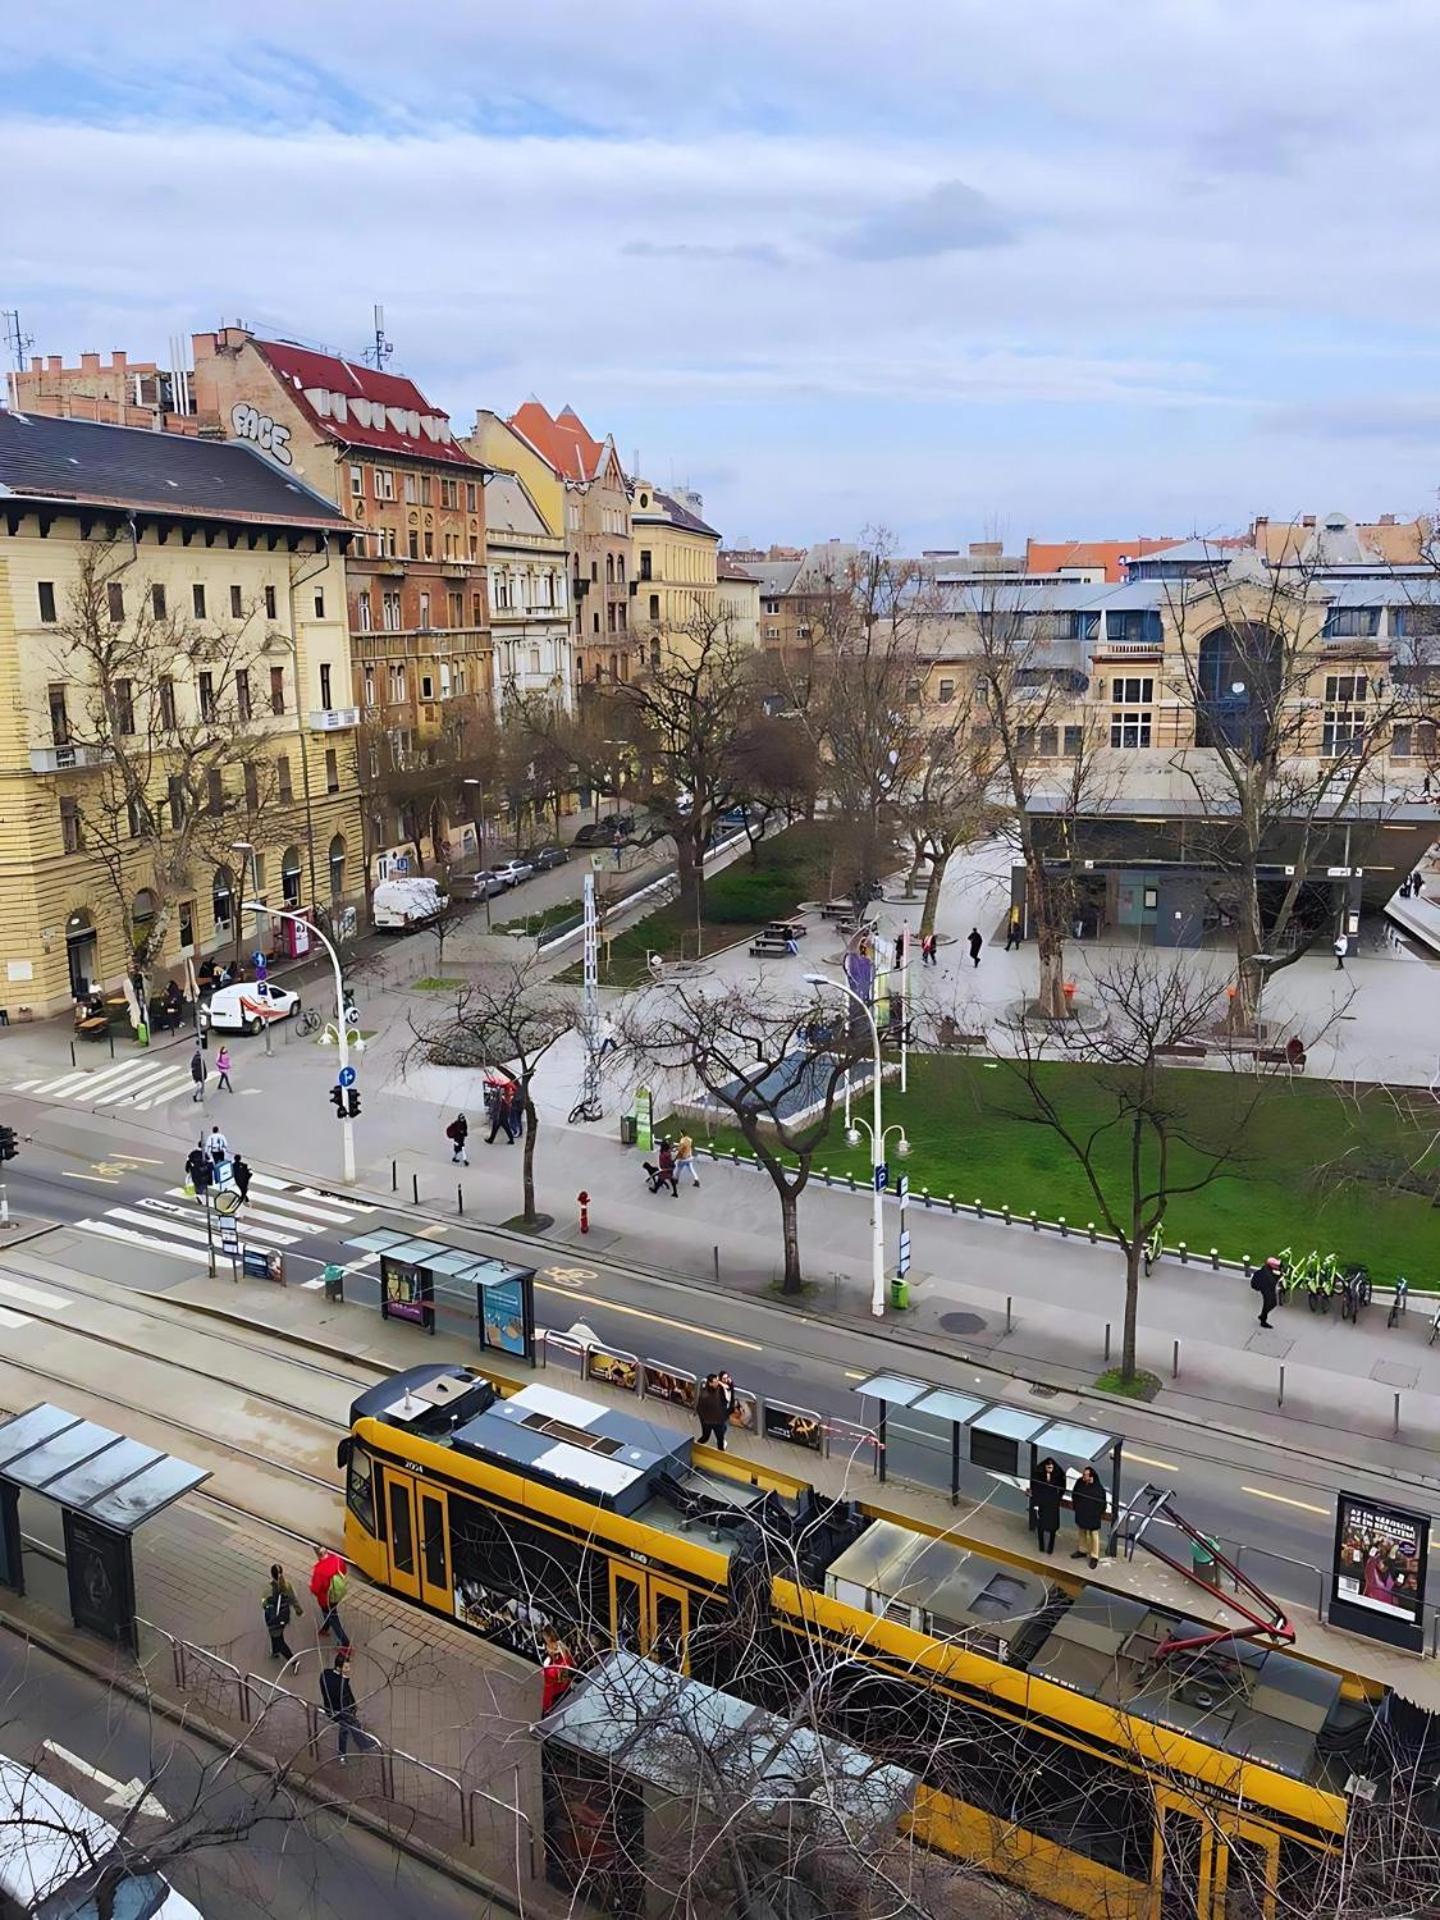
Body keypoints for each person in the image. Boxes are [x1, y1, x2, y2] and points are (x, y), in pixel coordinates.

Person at [319, 1649, 378, 1763]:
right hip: (341, 1712)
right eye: (346, 1668)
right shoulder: (341, 1684)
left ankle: (358, 1745)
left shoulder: (325, 1674)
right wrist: (352, 1709)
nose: (349, 1670)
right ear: (339, 1668)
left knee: (351, 1727)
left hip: (329, 1709)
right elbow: (345, 1700)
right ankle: (346, 1753)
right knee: (347, 1728)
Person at [310, 1544, 351, 1646]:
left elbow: (316, 1589)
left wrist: (311, 1587)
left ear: (318, 1556)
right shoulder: (337, 1560)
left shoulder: (319, 1570)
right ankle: (325, 1628)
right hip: (336, 1594)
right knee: (331, 1612)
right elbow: (344, 1571)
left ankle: (345, 1644)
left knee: (333, 1619)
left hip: (326, 1600)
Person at [1070, 1466, 1107, 1570]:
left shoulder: (1098, 1489)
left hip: (1093, 1515)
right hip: (1082, 1512)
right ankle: (1082, 1550)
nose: (1083, 1476)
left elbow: (1102, 1504)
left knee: (1094, 1534)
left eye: (1085, 1475)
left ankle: (1094, 1556)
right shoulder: (1079, 1483)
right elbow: (1075, 1495)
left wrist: (1097, 1513)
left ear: (1091, 1477)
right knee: (1081, 1531)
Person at [262, 1562, 301, 1660]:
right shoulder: (287, 1586)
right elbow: (293, 1599)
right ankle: (275, 1651)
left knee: (278, 1639)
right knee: (276, 1633)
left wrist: (266, 1605)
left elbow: (264, 1604)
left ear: (271, 1574)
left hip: (273, 1618)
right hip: (283, 1616)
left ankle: (293, 1661)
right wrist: (298, 1610)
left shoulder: (268, 1588)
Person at [1030, 1457, 1064, 1555]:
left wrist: (1058, 1497)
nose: (1050, 1469)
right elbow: (1035, 1487)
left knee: (1052, 1526)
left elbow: (1062, 1487)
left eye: (1051, 1468)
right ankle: (1041, 1546)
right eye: (1048, 1467)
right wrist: (1036, 1503)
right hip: (1042, 1501)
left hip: (1052, 1502)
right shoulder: (1039, 1474)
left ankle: (1050, 1548)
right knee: (1041, 1524)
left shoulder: (1057, 1475)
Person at [540, 1629, 574, 1715]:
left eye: (547, 1642)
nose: (546, 1646)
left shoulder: (561, 1662)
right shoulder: (561, 1656)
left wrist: (550, 1664)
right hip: (557, 1693)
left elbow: (560, 1678)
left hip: (555, 1696)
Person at [697, 1374, 730, 1449]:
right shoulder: (704, 1396)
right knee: (706, 1437)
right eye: (715, 1382)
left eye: (717, 1381)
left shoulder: (718, 1389)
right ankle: (697, 1447)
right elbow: (700, 1410)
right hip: (710, 1421)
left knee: (720, 1439)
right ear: (710, 1383)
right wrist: (705, 1421)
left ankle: (720, 1451)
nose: (717, 1383)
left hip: (718, 1420)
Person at [1251, 1255, 1282, 1329]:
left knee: (1271, 1303)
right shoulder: (1268, 1274)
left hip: (1265, 1286)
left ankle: (1263, 1315)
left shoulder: (1267, 1268)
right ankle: (1263, 1320)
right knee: (1269, 1303)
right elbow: (1273, 1281)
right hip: (1265, 1288)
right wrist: (1280, 1276)